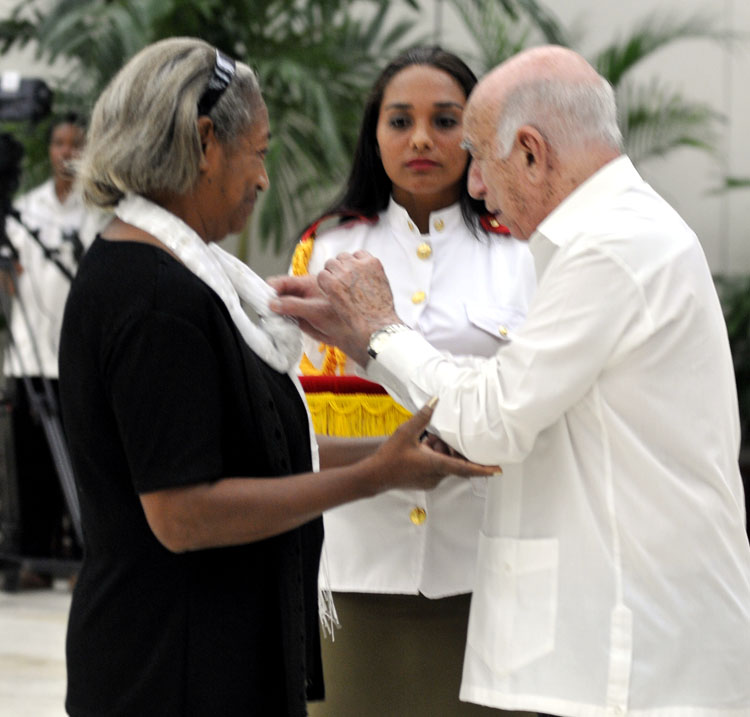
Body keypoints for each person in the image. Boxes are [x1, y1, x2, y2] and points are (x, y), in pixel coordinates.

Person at [270, 45, 750, 716]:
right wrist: (362, 339)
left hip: (629, 634)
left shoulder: (608, 248)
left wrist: (379, 331)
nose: (475, 185)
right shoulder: (615, 233)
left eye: (475, 153)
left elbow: (492, 419)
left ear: (530, 151)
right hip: (583, 614)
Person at [57, 37, 497, 717]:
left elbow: (252, 448)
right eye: (258, 153)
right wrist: (373, 476)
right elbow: (185, 514)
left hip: (206, 652)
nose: (264, 179)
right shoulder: (158, 300)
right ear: (206, 142)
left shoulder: (183, 281)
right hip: (171, 668)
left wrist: (389, 456)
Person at [291, 46, 535, 716]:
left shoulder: (523, 254)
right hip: (357, 564)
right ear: (375, 136)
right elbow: (298, 414)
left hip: (489, 564)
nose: (422, 138)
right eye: (400, 121)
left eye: (445, 120)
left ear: (479, 134)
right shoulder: (327, 251)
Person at [1, 113, 104, 588]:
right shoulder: (26, 208)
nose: (67, 152)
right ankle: (38, 561)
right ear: (49, 150)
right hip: (29, 355)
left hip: (75, 357)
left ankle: (82, 556)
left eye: (75, 144)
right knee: (33, 461)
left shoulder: (97, 211)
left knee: (80, 461)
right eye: (59, 143)